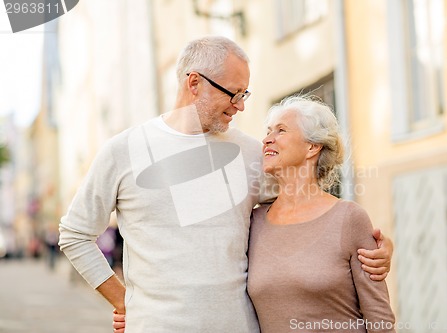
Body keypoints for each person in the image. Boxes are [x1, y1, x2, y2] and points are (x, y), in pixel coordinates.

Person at [59, 36, 392, 333]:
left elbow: (307, 208)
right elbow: (75, 234)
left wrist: (372, 250)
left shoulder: (251, 153)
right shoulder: (123, 151)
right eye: (233, 93)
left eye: (244, 93)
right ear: (194, 84)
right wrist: (123, 301)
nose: (241, 105)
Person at [247, 95, 395, 332]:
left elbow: (379, 318)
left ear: (312, 147)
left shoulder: (349, 218)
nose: (267, 140)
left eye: (280, 131)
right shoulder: (253, 223)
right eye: (268, 131)